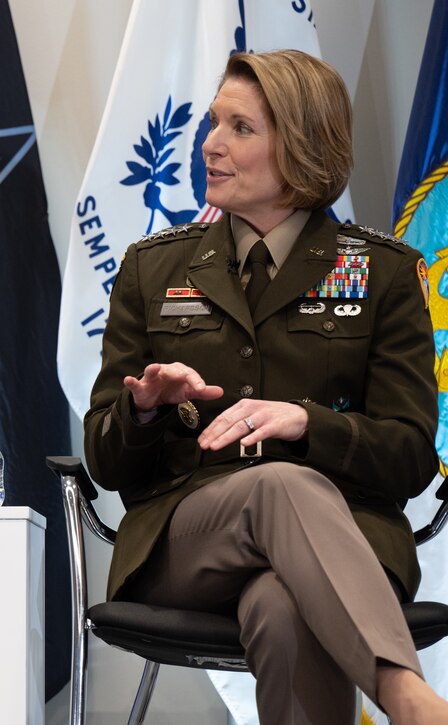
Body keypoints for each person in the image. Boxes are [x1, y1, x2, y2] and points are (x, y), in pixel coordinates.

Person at [84, 49, 448, 724]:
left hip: (346, 549)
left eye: (240, 128)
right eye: (212, 123)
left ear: (302, 147)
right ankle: (407, 696)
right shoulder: (152, 269)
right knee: (279, 486)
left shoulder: (384, 275)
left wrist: (310, 425)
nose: (210, 145)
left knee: (284, 607)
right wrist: (141, 410)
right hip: (185, 543)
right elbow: (104, 463)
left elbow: (410, 456)